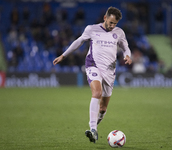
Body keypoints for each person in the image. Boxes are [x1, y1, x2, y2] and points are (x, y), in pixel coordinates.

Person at [53, 6, 132, 143]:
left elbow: (126, 47)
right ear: (105, 18)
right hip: (93, 65)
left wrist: (128, 56)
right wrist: (63, 55)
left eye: (115, 24)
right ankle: (93, 129)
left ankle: (94, 129)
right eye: (111, 22)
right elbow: (78, 41)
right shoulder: (91, 29)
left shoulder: (119, 32)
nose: (113, 26)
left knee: (103, 108)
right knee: (97, 93)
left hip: (110, 71)